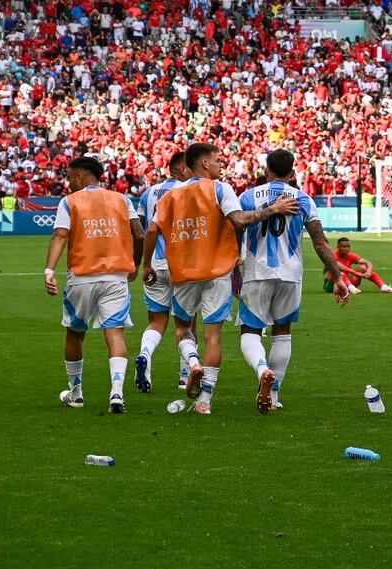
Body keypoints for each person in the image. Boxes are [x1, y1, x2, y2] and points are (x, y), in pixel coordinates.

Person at [141, 142, 298, 415]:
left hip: (183, 274)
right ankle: (205, 400)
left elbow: (152, 231)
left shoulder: (169, 196)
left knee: (183, 329)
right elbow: (239, 220)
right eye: (217, 160)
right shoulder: (220, 188)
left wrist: (146, 264)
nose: (221, 164)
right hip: (217, 273)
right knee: (213, 337)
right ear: (204, 163)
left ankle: (192, 363)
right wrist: (273, 209)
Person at [237, 149, 348, 413]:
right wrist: (338, 276)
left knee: (250, 331)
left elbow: (234, 225)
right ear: (293, 172)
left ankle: (263, 370)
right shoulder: (303, 199)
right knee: (282, 333)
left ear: (266, 170)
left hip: (256, 273)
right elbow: (320, 243)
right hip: (290, 274)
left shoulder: (248, 197)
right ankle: (273, 398)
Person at [44, 156, 144, 413]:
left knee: (75, 333)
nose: (68, 182)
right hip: (115, 277)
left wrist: (49, 270)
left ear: (79, 177)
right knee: (115, 334)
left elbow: (60, 235)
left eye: (69, 177)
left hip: (82, 277)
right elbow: (139, 233)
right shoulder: (122, 199)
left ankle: (76, 393)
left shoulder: (69, 201)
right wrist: (135, 263)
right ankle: (117, 393)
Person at [133, 151, 192, 393]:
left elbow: (141, 232)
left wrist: (140, 264)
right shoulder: (189, 191)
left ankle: (145, 356)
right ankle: (184, 376)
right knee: (186, 323)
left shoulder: (148, 193)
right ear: (183, 169)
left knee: (157, 322)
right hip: (182, 265)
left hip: (155, 265)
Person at [326, 238, 392, 294]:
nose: (346, 249)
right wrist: (357, 274)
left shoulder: (350, 255)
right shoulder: (333, 256)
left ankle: (384, 287)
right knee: (339, 273)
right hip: (332, 285)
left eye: (348, 246)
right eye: (343, 247)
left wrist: (368, 272)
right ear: (338, 247)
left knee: (363, 267)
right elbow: (340, 267)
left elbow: (367, 262)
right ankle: (351, 288)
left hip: (346, 283)